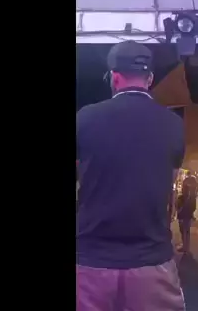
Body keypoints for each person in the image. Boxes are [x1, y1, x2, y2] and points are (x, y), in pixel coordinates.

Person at [76, 41, 186, 311]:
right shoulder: (174, 125)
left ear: (114, 78)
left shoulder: (85, 118)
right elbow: (170, 181)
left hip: (93, 261)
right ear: (150, 79)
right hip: (152, 262)